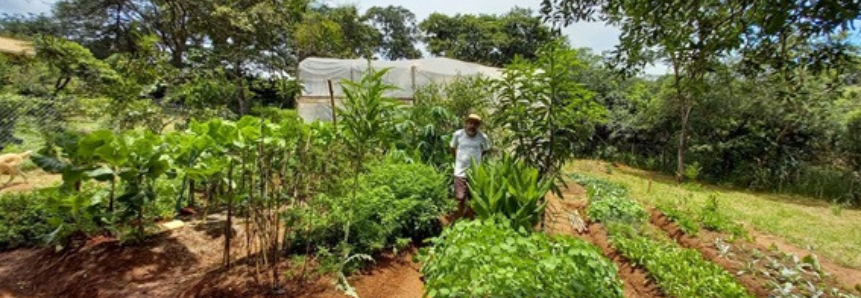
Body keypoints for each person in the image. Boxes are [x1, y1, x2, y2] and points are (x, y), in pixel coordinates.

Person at [449, 114, 490, 219]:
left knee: (474, 198)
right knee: (459, 197)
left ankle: (471, 219)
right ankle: (457, 218)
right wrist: (458, 159)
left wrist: (477, 159)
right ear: (466, 124)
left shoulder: (482, 137)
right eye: (470, 123)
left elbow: (485, 149)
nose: (472, 126)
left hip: (475, 173)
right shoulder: (458, 134)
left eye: (475, 124)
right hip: (460, 171)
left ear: (478, 126)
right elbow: (452, 148)